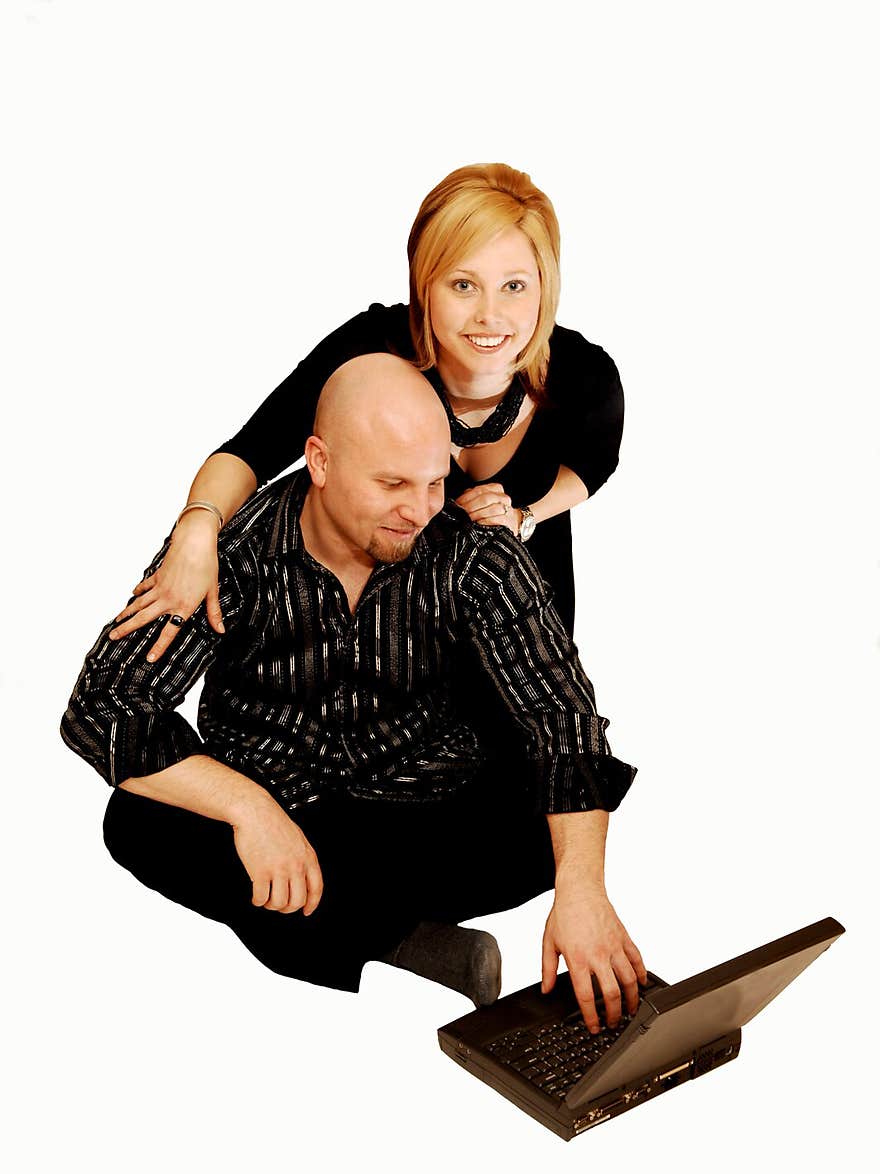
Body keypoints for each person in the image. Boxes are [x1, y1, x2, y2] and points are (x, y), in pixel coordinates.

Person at [62, 356, 646, 1032]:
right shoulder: (231, 553)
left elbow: (562, 713)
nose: (420, 509)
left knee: (554, 824)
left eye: (433, 481)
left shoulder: (473, 550)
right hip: (285, 806)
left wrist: (582, 889)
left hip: (422, 808)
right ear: (319, 461)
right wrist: (249, 809)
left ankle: (333, 919)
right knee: (136, 822)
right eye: (391, 482)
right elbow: (102, 704)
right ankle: (405, 940)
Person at [108, 162, 624, 668]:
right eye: (463, 285)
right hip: (395, 665)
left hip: (520, 638)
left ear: (545, 286)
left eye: (514, 286)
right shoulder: (368, 350)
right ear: (424, 286)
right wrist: (198, 528)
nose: (490, 315)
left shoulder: (586, 375)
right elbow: (254, 448)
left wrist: (525, 517)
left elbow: (592, 466)